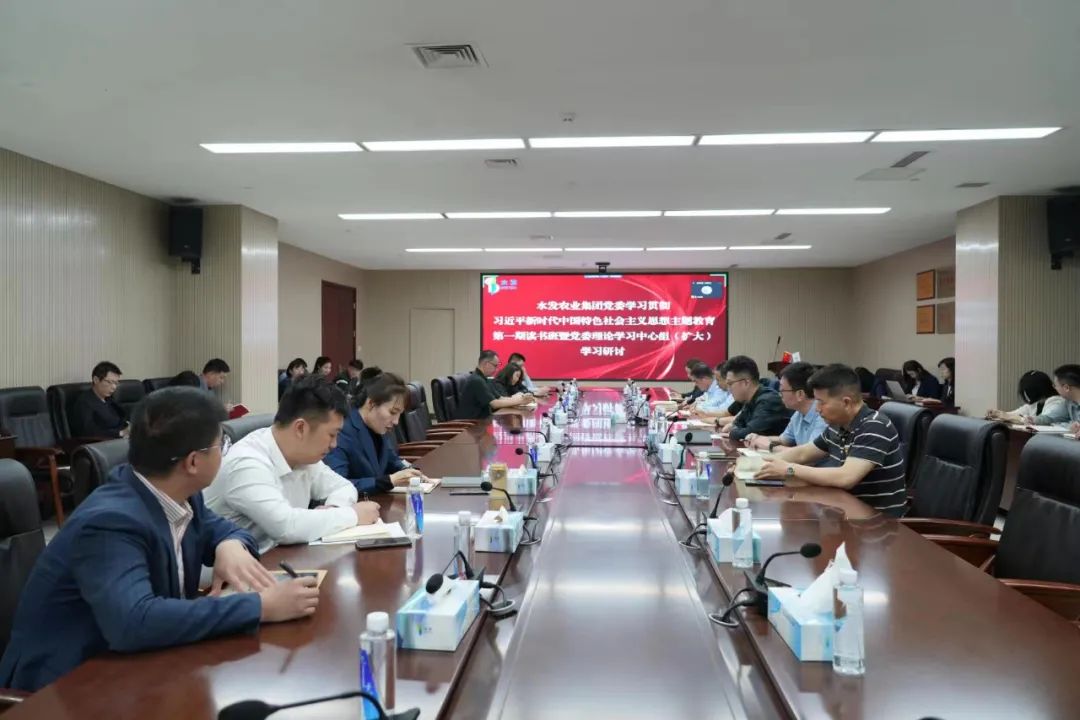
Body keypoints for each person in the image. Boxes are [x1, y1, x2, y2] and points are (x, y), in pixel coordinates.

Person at [0, 388, 319, 692]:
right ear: (193, 462)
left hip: (138, 665)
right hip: (62, 687)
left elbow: (224, 530)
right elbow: (133, 622)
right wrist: (260, 606)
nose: (225, 453)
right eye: (220, 445)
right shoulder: (110, 522)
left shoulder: (179, 493)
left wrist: (230, 546)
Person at [205, 376, 379, 552]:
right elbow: (286, 527)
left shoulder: (304, 455)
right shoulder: (247, 463)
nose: (334, 444)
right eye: (332, 435)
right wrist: (352, 515)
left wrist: (334, 509)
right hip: (236, 566)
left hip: (280, 559)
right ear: (300, 428)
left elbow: (344, 487)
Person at [755, 364, 907, 517]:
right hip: (843, 509)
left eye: (821, 402)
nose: (817, 409)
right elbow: (803, 453)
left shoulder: (874, 426)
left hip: (876, 521)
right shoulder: (838, 425)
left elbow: (846, 477)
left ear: (846, 402)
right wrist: (759, 465)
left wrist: (789, 469)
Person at [325, 372, 425, 494]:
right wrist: (388, 481)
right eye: (393, 412)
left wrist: (410, 470)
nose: (396, 421)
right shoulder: (342, 430)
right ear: (371, 404)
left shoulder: (378, 425)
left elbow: (392, 459)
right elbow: (337, 486)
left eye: (399, 414)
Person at [745, 362, 828, 455]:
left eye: (782, 390)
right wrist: (760, 438)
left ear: (800, 394)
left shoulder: (823, 416)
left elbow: (807, 455)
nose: (779, 394)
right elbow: (784, 440)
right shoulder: (799, 413)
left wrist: (770, 446)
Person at [709, 356, 791, 441]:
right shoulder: (749, 399)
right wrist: (734, 429)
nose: (729, 389)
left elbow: (748, 433)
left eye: (730, 383)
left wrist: (733, 432)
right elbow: (735, 424)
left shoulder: (768, 401)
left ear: (746, 382)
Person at [457, 350, 532, 420]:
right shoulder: (477, 380)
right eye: (495, 366)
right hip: (472, 423)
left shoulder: (485, 379)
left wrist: (521, 399)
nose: (497, 369)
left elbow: (500, 398)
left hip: (483, 419)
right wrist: (520, 401)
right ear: (487, 364)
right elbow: (494, 404)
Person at [71, 361, 128, 438]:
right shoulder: (84, 402)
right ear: (96, 380)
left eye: (116, 383)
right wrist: (120, 433)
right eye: (109, 382)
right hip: (101, 442)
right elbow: (88, 432)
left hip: (119, 439)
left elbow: (121, 418)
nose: (114, 387)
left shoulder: (109, 399)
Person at [988, 370, 1066, 424]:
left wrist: (1007, 416)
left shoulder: (1057, 402)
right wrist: (997, 414)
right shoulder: (1036, 404)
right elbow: (1014, 414)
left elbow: (1041, 421)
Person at [1027, 364, 1080, 436]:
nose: (1054, 388)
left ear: (1066, 388)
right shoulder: (1068, 402)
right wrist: (1034, 420)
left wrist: (1070, 426)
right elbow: (1051, 418)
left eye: (1055, 385)